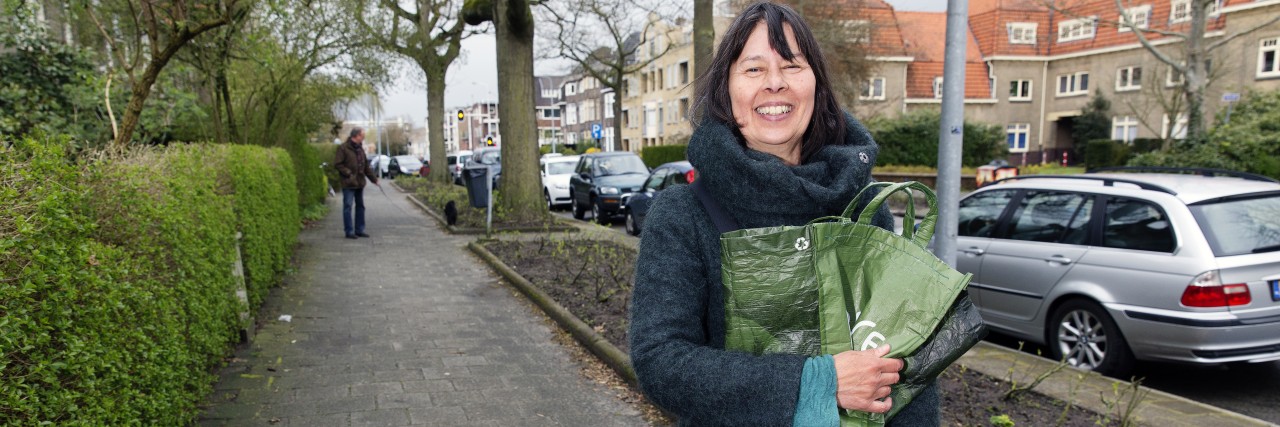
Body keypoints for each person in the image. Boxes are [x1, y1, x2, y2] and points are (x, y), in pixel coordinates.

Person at [628, 3, 939, 426]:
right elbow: (661, 361)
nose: (774, 84)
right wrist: (818, 381)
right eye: (753, 69)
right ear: (727, 90)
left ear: (816, 84)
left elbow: (908, 362)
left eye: (792, 66)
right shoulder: (683, 214)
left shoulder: (865, 207)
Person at [335, 127, 379, 239]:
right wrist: (349, 173)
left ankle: (359, 229)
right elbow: (338, 164)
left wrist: (374, 179)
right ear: (356, 136)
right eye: (362, 135)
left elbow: (366, 167)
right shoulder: (343, 148)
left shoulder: (360, 149)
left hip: (359, 182)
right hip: (348, 182)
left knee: (360, 206)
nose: (363, 138)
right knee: (348, 206)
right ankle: (349, 231)